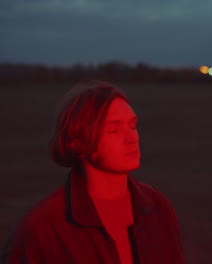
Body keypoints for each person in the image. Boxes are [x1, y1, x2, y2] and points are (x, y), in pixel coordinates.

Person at [1, 80, 184, 264]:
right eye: (113, 129)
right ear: (77, 141)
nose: (131, 138)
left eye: (132, 125)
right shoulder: (41, 227)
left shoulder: (157, 208)